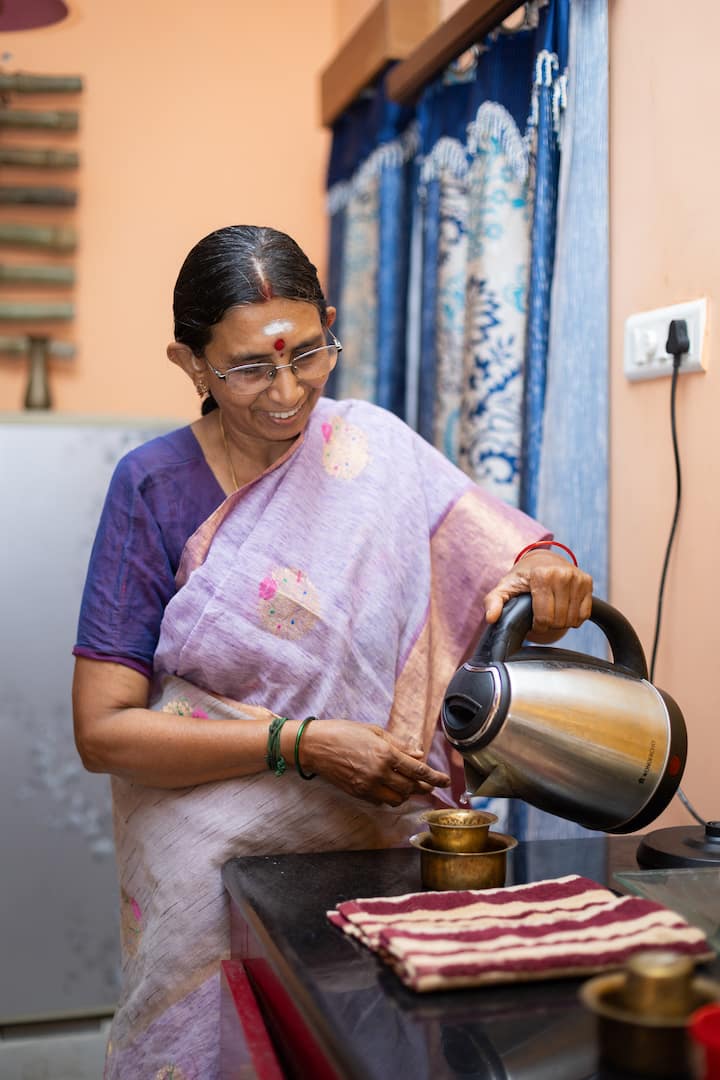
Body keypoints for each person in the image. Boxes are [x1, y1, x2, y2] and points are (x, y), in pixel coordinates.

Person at [72, 224, 593, 1078]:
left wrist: (544, 572)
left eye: (309, 354)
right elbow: (104, 733)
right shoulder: (154, 486)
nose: (287, 392)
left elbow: (493, 563)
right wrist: (302, 744)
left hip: (383, 825)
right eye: (249, 368)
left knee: (375, 1052)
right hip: (214, 853)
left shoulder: (371, 447)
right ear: (189, 364)